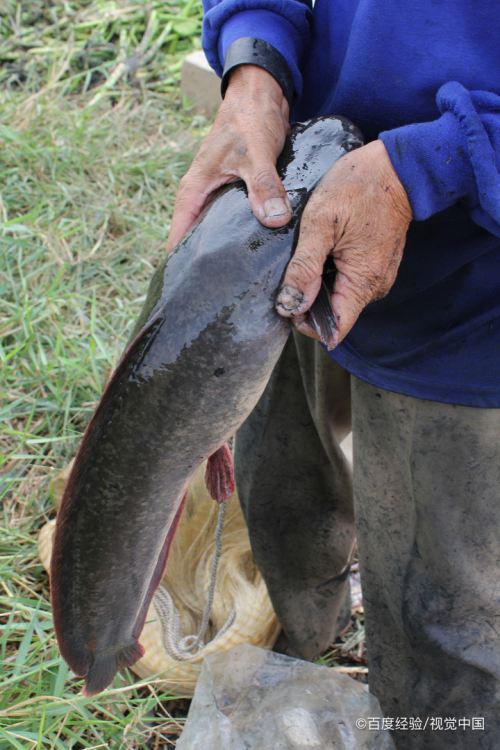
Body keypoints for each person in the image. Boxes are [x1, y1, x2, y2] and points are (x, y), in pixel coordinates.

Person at [166, 3, 500, 748]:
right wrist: (256, 64)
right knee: (280, 505)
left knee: (445, 640)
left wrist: (434, 164)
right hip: (288, 206)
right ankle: (305, 638)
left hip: (476, 306)